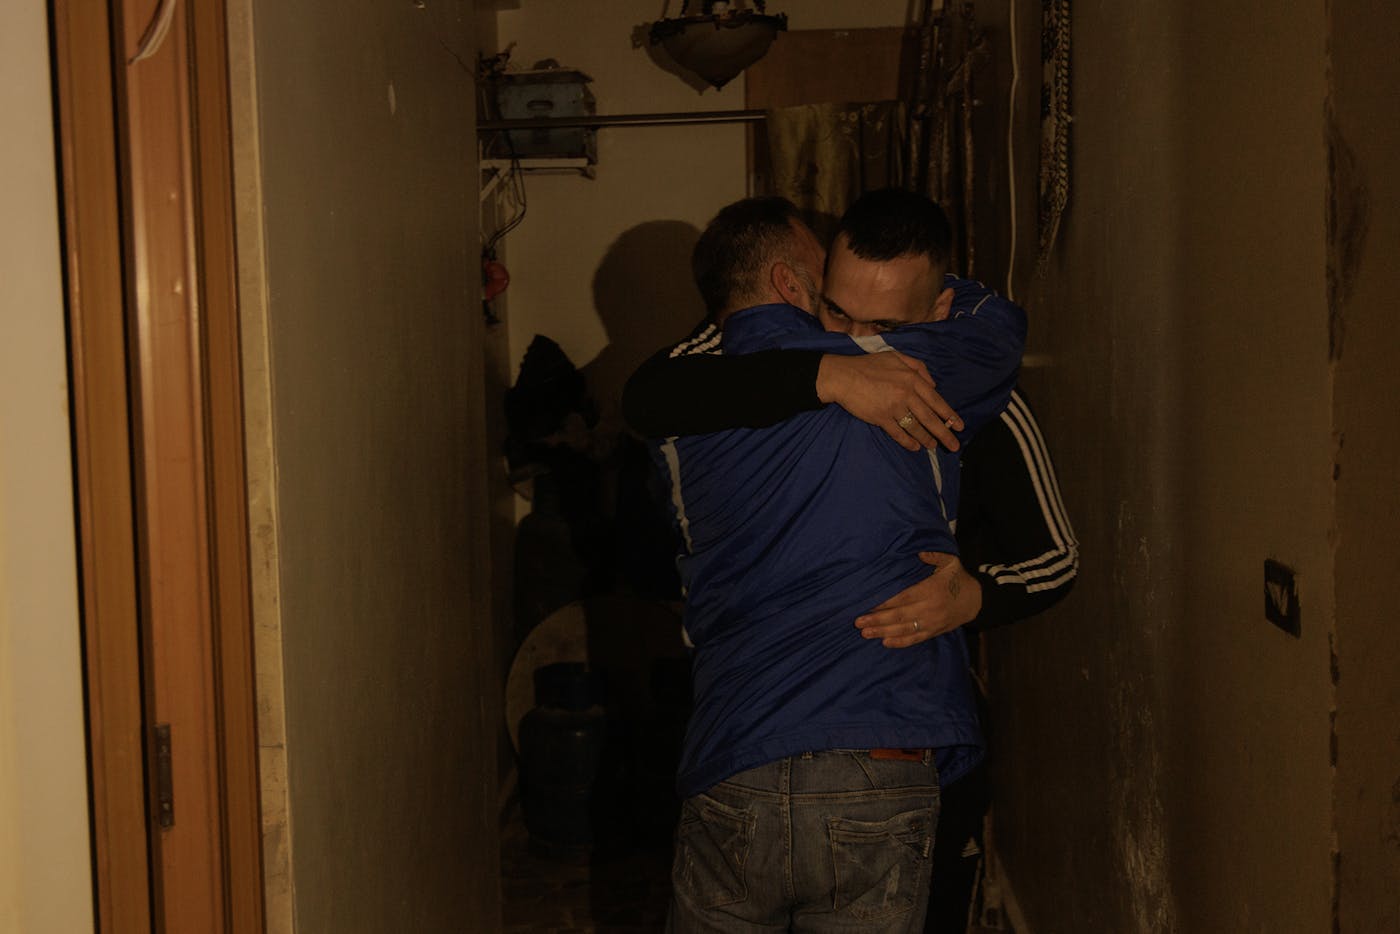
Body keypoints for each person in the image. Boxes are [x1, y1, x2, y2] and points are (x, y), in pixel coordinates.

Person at [624, 191, 1078, 932]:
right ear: (800, 289)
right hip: (791, 751)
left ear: (936, 314)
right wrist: (828, 377)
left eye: (886, 327)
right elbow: (650, 393)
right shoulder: (732, 384)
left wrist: (974, 598)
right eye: (836, 313)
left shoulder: (969, 394)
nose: (859, 342)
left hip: (861, 738)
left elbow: (1055, 556)